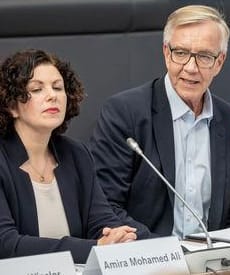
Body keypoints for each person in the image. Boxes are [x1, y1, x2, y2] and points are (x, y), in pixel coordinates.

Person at [89, 5, 230, 239]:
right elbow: (106, 207)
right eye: (181, 53)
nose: (191, 67)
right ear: (166, 52)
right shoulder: (125, 113)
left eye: (204, 56)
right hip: (146, 258)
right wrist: (169, 253)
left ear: (220, 62)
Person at [0, 49, 137, 263]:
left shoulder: (77, 155)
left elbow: (102, 222)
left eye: (58, 87)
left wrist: (118, 237)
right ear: (11, 106)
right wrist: (94, 248)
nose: (52, 95)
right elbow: (6, 244)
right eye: (36, 89)